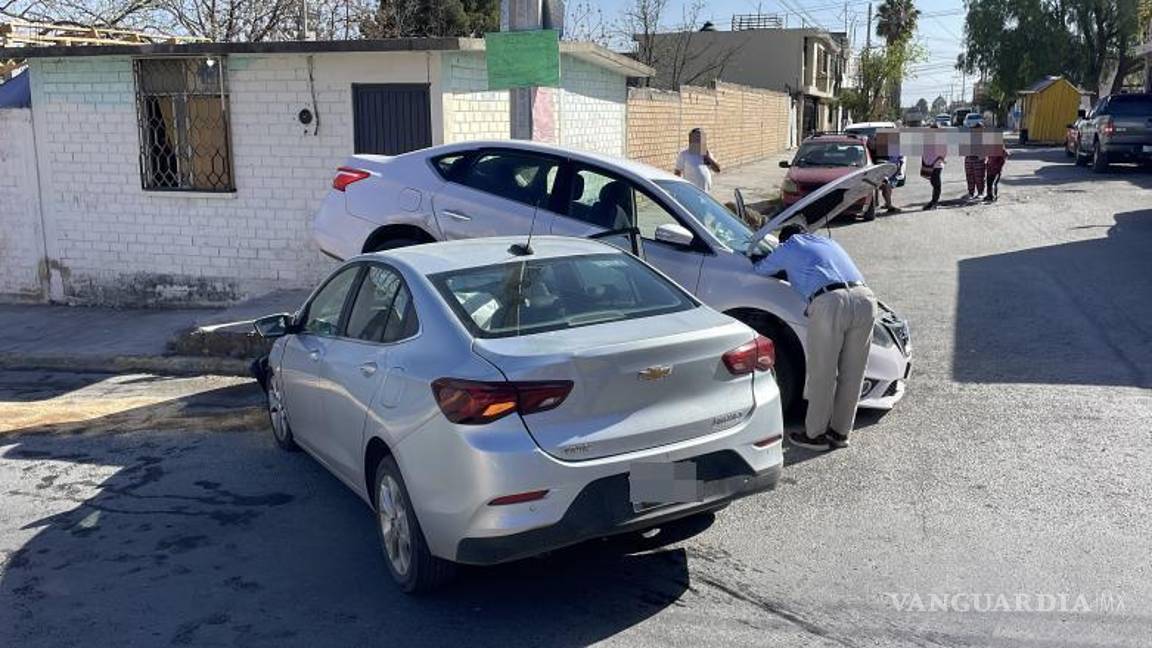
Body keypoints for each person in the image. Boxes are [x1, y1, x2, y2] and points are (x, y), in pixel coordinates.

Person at [753, 223, 878, 451]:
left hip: (830, 302)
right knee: (853, 373)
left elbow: (760, 270)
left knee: (824, 373)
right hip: (865, 298)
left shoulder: (789, 245)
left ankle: (816, 435)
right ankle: (840, 434)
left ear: (784, 239)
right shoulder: (829, 242)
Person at [675, 128, 721, 192]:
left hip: (705, 192)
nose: (699, 140)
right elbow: (677, 172)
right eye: (697, 138)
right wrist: (678, 188)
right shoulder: (684, 154)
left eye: (701, 138)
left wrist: (708, 158)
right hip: (691, 192)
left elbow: (717, 170)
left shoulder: (707, 153)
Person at [921, 128, 946, 210]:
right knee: (935, 184)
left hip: (936, 165)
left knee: (936, 184)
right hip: (933, 164)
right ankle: (933, 202)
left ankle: (934, 202)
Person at [963, 124, 986, 201]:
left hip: (979, 160)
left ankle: (980, 192)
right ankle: (971, 193)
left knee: (979, 177)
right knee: (970, 177)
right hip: (969, 159)